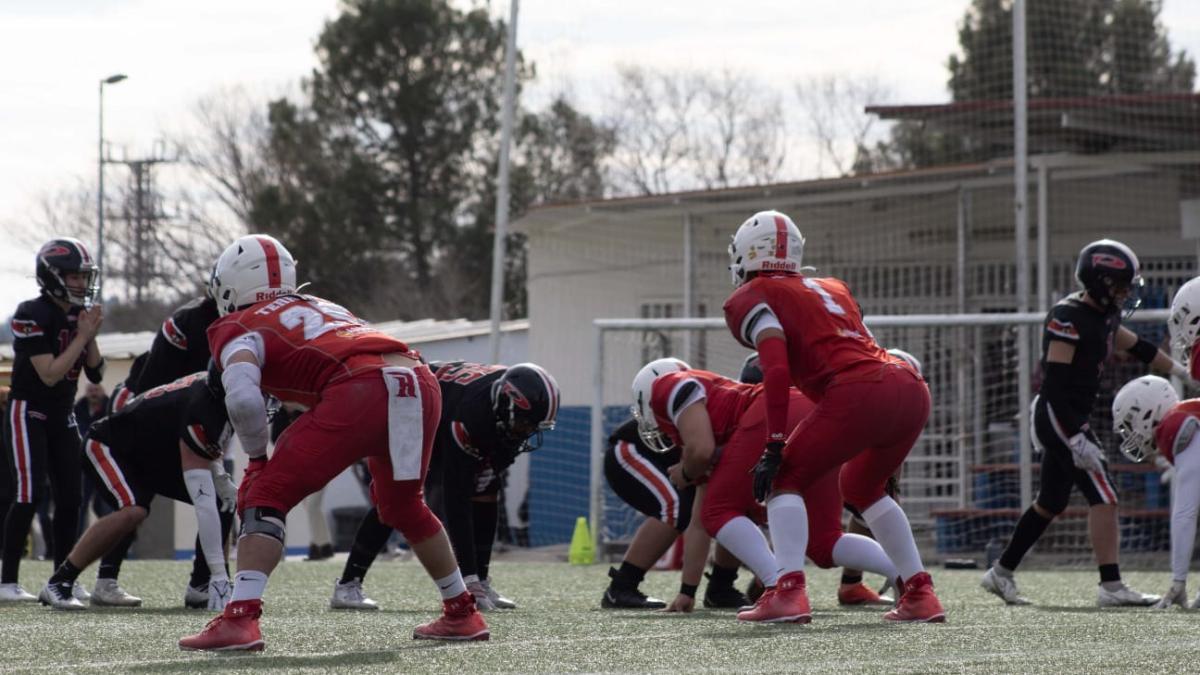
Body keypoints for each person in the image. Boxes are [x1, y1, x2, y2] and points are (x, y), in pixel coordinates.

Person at [178, 235, 486, 651]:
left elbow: (244, 398)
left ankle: (240, 618)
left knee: (264, 493)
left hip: (361, 388)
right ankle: (463, 612)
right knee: (404, 504)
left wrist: (255, 457)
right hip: (418, 379)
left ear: (231, 288)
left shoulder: (238, 324)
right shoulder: (321, 305)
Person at [722, 210, 943, 623]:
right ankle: (919, 593)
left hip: (859, 390)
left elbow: (774, 364)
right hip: (909, 384)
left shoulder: (750, 298)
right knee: (861, 483)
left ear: (750, 253)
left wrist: (774, 441)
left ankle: (787, 592)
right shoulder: (833, 287)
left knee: (783, 476)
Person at [980, 240, 1190, 607]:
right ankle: (1111, 586)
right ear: (1100, 281)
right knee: (1104, 494)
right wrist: (1075, 437)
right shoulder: (1067, 316)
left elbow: (1136, 345)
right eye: (1120, 284)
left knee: (1050, 502)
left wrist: (1180, 372)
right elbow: (1056, 381)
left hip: (1069, 415)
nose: (1126, 292)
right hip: (1060, 416)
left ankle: (1000, 572)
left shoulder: (1102, 315)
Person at [631, 358, 899, 622]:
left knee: (719, 511)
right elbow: (700, 523)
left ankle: (780, 589)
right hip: (809, 411)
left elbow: (701, 453)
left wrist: (685, 472)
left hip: (774, 415)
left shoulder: (668, 386)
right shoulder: (712, 415)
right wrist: (687, 592)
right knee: (824, 542)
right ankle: (904, 574)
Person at [331, 360, 561, 612]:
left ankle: (481, 581)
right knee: (397, 498)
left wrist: (493, 467)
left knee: (487, 488)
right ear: (505, 405)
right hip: (413, 409)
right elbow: (456, 500)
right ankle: (348, 584)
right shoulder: (471, 415)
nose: (526, 432)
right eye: (525, 424)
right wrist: (467, 577)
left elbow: (497, 465)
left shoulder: (503, 403)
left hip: (446, 410)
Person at [37, 371, 235, 610]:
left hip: (147, 456)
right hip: (108, 445)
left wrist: (220, 478)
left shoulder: (213, 393)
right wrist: (220, 575)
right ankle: (60, 581)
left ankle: (200, 585)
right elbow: (201, 485)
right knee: (134, 510)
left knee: (222, 501)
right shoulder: (202, 405)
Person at [1, 238, 104, 603]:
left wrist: (88, 335)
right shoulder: (30, 312)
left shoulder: (79, 315)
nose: (80, 283)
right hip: (29, 410)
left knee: (72, 498)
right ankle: (7, 580)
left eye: (83, 276)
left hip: (62, 415)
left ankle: (62, 580)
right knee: (29, 495)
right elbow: (50, 373)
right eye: (73, 276)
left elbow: (94, 373)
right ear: (53, 275)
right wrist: (82, 335)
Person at [601, 416, 749, 611]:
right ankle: (621, 587)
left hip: (676, 456)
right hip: (634, 450)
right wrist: (687, 592)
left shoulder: (751, 425)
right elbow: (698, 524)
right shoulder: (734, 423)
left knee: (734, 507)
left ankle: (721, 588)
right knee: (675, 509)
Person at [75, 383, 114, 536]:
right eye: (90, 390)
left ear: (102, 392)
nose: (93, 393)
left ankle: (108, 539)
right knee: (81, 505)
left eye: (96, 390)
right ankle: (76, 542)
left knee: (104, 505)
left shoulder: (110, 409)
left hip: (104, 462)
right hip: (84, 464)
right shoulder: (79, 409)